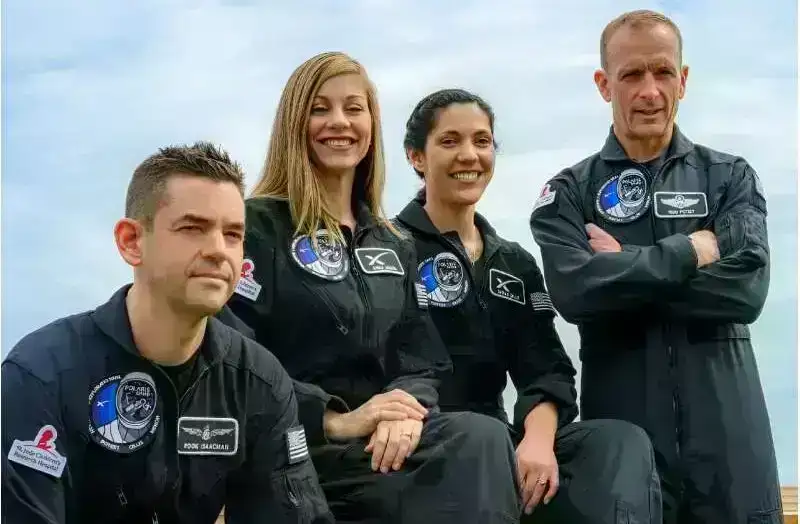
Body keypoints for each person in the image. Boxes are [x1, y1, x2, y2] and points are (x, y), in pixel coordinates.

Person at [220, 51, 522, 523]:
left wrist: (403, 411)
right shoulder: (254, 225)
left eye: (353, 108)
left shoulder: (393, 242)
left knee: (482, 436)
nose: (339, 122)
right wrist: (333, 418)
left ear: (371, 124)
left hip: (379, 450)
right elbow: (231, 351)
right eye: (320, 109)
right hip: (294, 448)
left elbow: (420, 359)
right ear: (294, 123)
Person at [529, 9, 782, 524]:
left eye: (663, 72)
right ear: (604, 84)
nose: (650, 91)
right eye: (631, 75)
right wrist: (687, 253)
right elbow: (577, 293)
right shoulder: (569, 193)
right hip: (625, 453)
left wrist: (623, 267)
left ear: (683, 80)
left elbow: (747, 291)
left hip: (732, 451)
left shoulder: (729, 178)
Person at [1, 142, 334, 524]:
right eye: (192, 228)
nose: (218, 251)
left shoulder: (260, 381)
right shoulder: (40, 375)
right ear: (131, 241)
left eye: (232, 234)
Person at [395, 88, 663, 524]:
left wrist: (537, 442)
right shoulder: (389, 249)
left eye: (482, 141)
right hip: (418, 444)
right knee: (479, 442)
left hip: (497, 439)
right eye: (450, 141)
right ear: (417, 157)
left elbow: (545, 370)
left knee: (619, 443)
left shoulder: (514, 262)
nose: (469, 155)